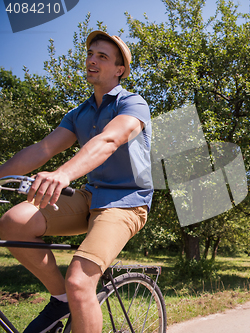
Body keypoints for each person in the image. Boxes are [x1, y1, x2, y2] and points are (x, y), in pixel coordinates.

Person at [0, 30, 153, 333]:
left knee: (80, 282)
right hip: (89, 196)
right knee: (13, 221)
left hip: (126, 204)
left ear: (118, 70)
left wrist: (63, 174)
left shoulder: (133, 104)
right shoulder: (79, 113)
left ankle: (73, 293)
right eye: (91, 54)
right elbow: (42, 149)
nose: (92, 60)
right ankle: (61, 299)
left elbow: (109, 140)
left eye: (102, 57)